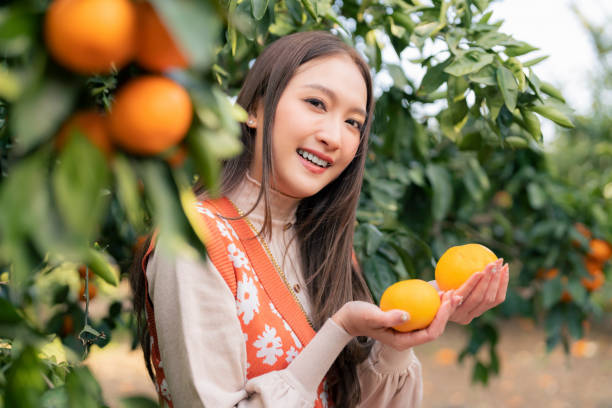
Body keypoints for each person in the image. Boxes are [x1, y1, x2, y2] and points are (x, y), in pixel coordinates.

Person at [130, 31, 510, 408]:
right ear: (255, 109)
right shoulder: (196, 240)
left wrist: (398, 338)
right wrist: (338, 331)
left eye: (353, 123)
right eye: (316, 103)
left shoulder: (327, 247)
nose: (334, 137)